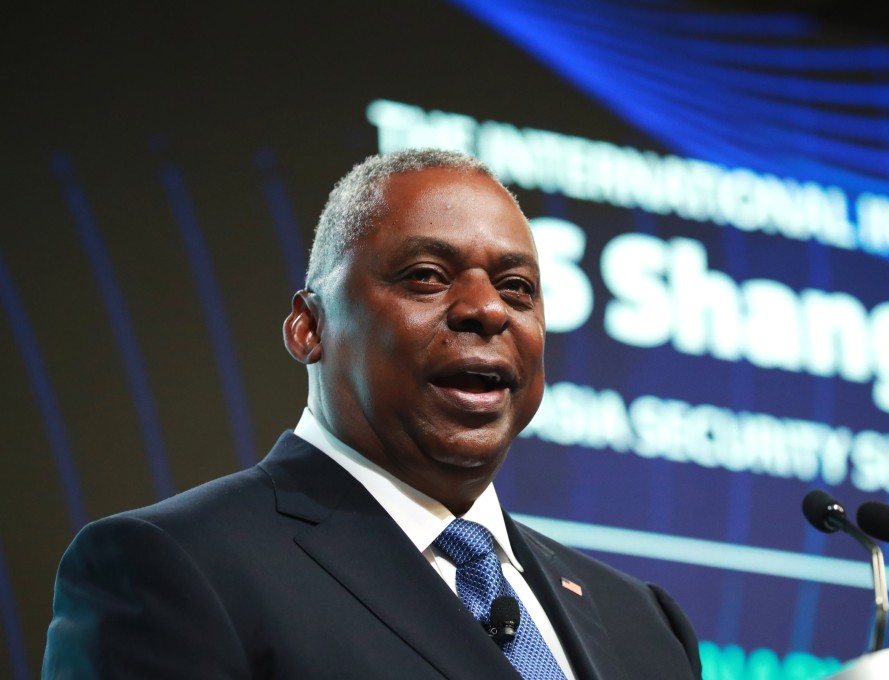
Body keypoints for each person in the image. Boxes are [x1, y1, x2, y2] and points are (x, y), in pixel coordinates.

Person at [42, 149, 702, 679]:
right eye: (425, 275)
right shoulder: (176, 568)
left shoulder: (642, 622)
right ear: (308, 326)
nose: (488, 310)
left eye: (517, 288)